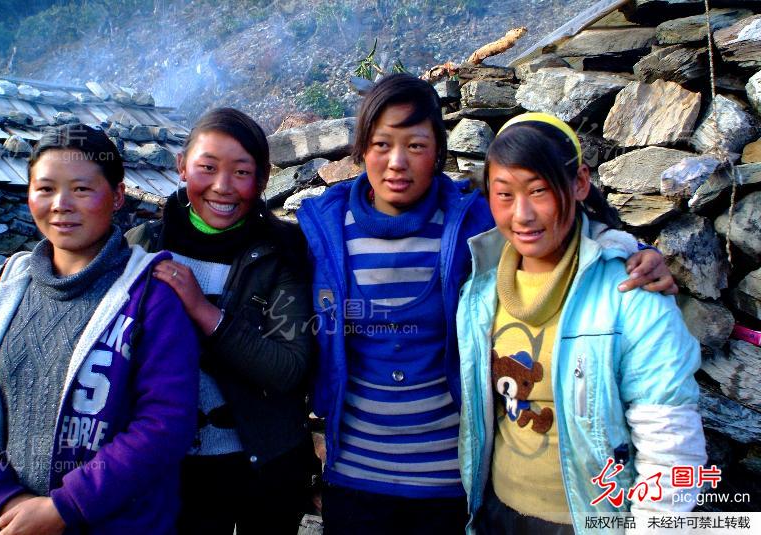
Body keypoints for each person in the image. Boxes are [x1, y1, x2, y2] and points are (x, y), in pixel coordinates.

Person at [296, 74, 677, 535]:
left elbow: (552, 228)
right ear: (361, 149)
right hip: (355, 474)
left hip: (448, 479)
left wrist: (631, 250)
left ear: (439, 151)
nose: (397, 162)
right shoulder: (324, 229)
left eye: (415, 146)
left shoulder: (473, 222)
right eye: (381, 144)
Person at [457, 113, 707, 534]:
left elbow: (671, 445)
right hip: (497, 514)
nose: (522, 214)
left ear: (579, 183)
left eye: (538, 190)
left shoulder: (632, 294)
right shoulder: (480, 289)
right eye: (504, 195)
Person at [0, 124, 199, 535]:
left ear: (118, 196)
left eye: (82, 189)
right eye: (45, 188)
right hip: (2, 523)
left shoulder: (150, 297)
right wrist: (0, 498)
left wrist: (64, 508)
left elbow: (164, 424)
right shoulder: (6, 291)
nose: (61, 205)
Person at [125, 107, 316, 534]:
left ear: (262, 180)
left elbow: (288, 368)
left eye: (241, 172)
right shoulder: (142, 248)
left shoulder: (281, 253)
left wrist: (203, 310)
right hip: (170, 471)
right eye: (207, 168)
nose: (222, 187)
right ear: (181, 166)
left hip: (266, 470)